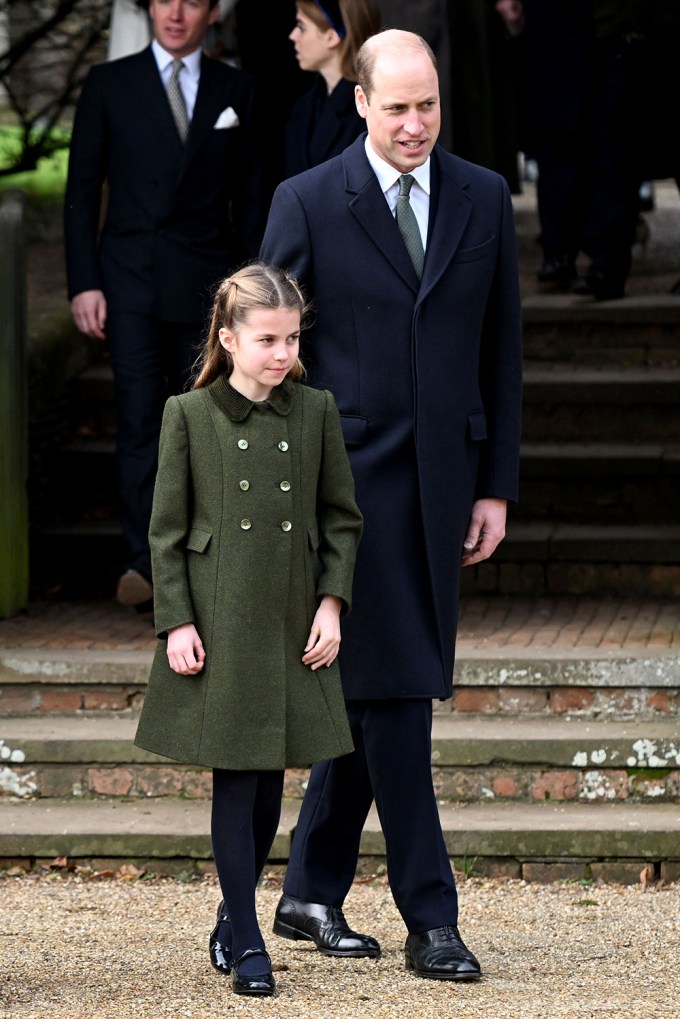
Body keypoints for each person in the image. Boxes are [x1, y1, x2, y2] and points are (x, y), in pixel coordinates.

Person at [261, 29, 522, 981]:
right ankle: (432, 914)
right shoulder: (308, 200)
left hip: (445, 487)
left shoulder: (483, 194)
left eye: (430, 104)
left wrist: (496, 481)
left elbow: (501, 350)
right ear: (361, 103)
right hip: (344, 494)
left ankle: (307, 887)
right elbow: (266, 347)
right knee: (401, 697)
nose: (416, 125)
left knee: (375, 692)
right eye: (398, 106)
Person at [134, 263, 363, 997]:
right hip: (220, 617)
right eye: (267, 339)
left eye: (292, 338)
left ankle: (233, 919)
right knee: (236, 778)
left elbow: (341, 518)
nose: (282, 353)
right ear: (228, 338)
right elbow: (166, 532)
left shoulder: (315, 410)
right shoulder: (188, 415)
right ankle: (250, 938)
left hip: (293, 616)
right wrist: (176, 621)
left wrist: (332, 603)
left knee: (269, 781)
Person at [64, 0, 263, 609]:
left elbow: (252, 196)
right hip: (130, 284)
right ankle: (142, 563)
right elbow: (80, 188)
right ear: (149, 8)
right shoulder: (108, 84)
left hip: (210, 286)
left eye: (192, 1)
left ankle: (207, 563)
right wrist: (84, 282)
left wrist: (254, 291)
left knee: (211, 423)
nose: (176, 13)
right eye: (164, 0)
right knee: (140, 419)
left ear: (212, 12)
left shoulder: (238, 88)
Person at [285, 0, 380, 178]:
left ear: (332, 36)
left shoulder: (370, 111)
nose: (293, 35)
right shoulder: (304, 107)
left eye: (302, 27)